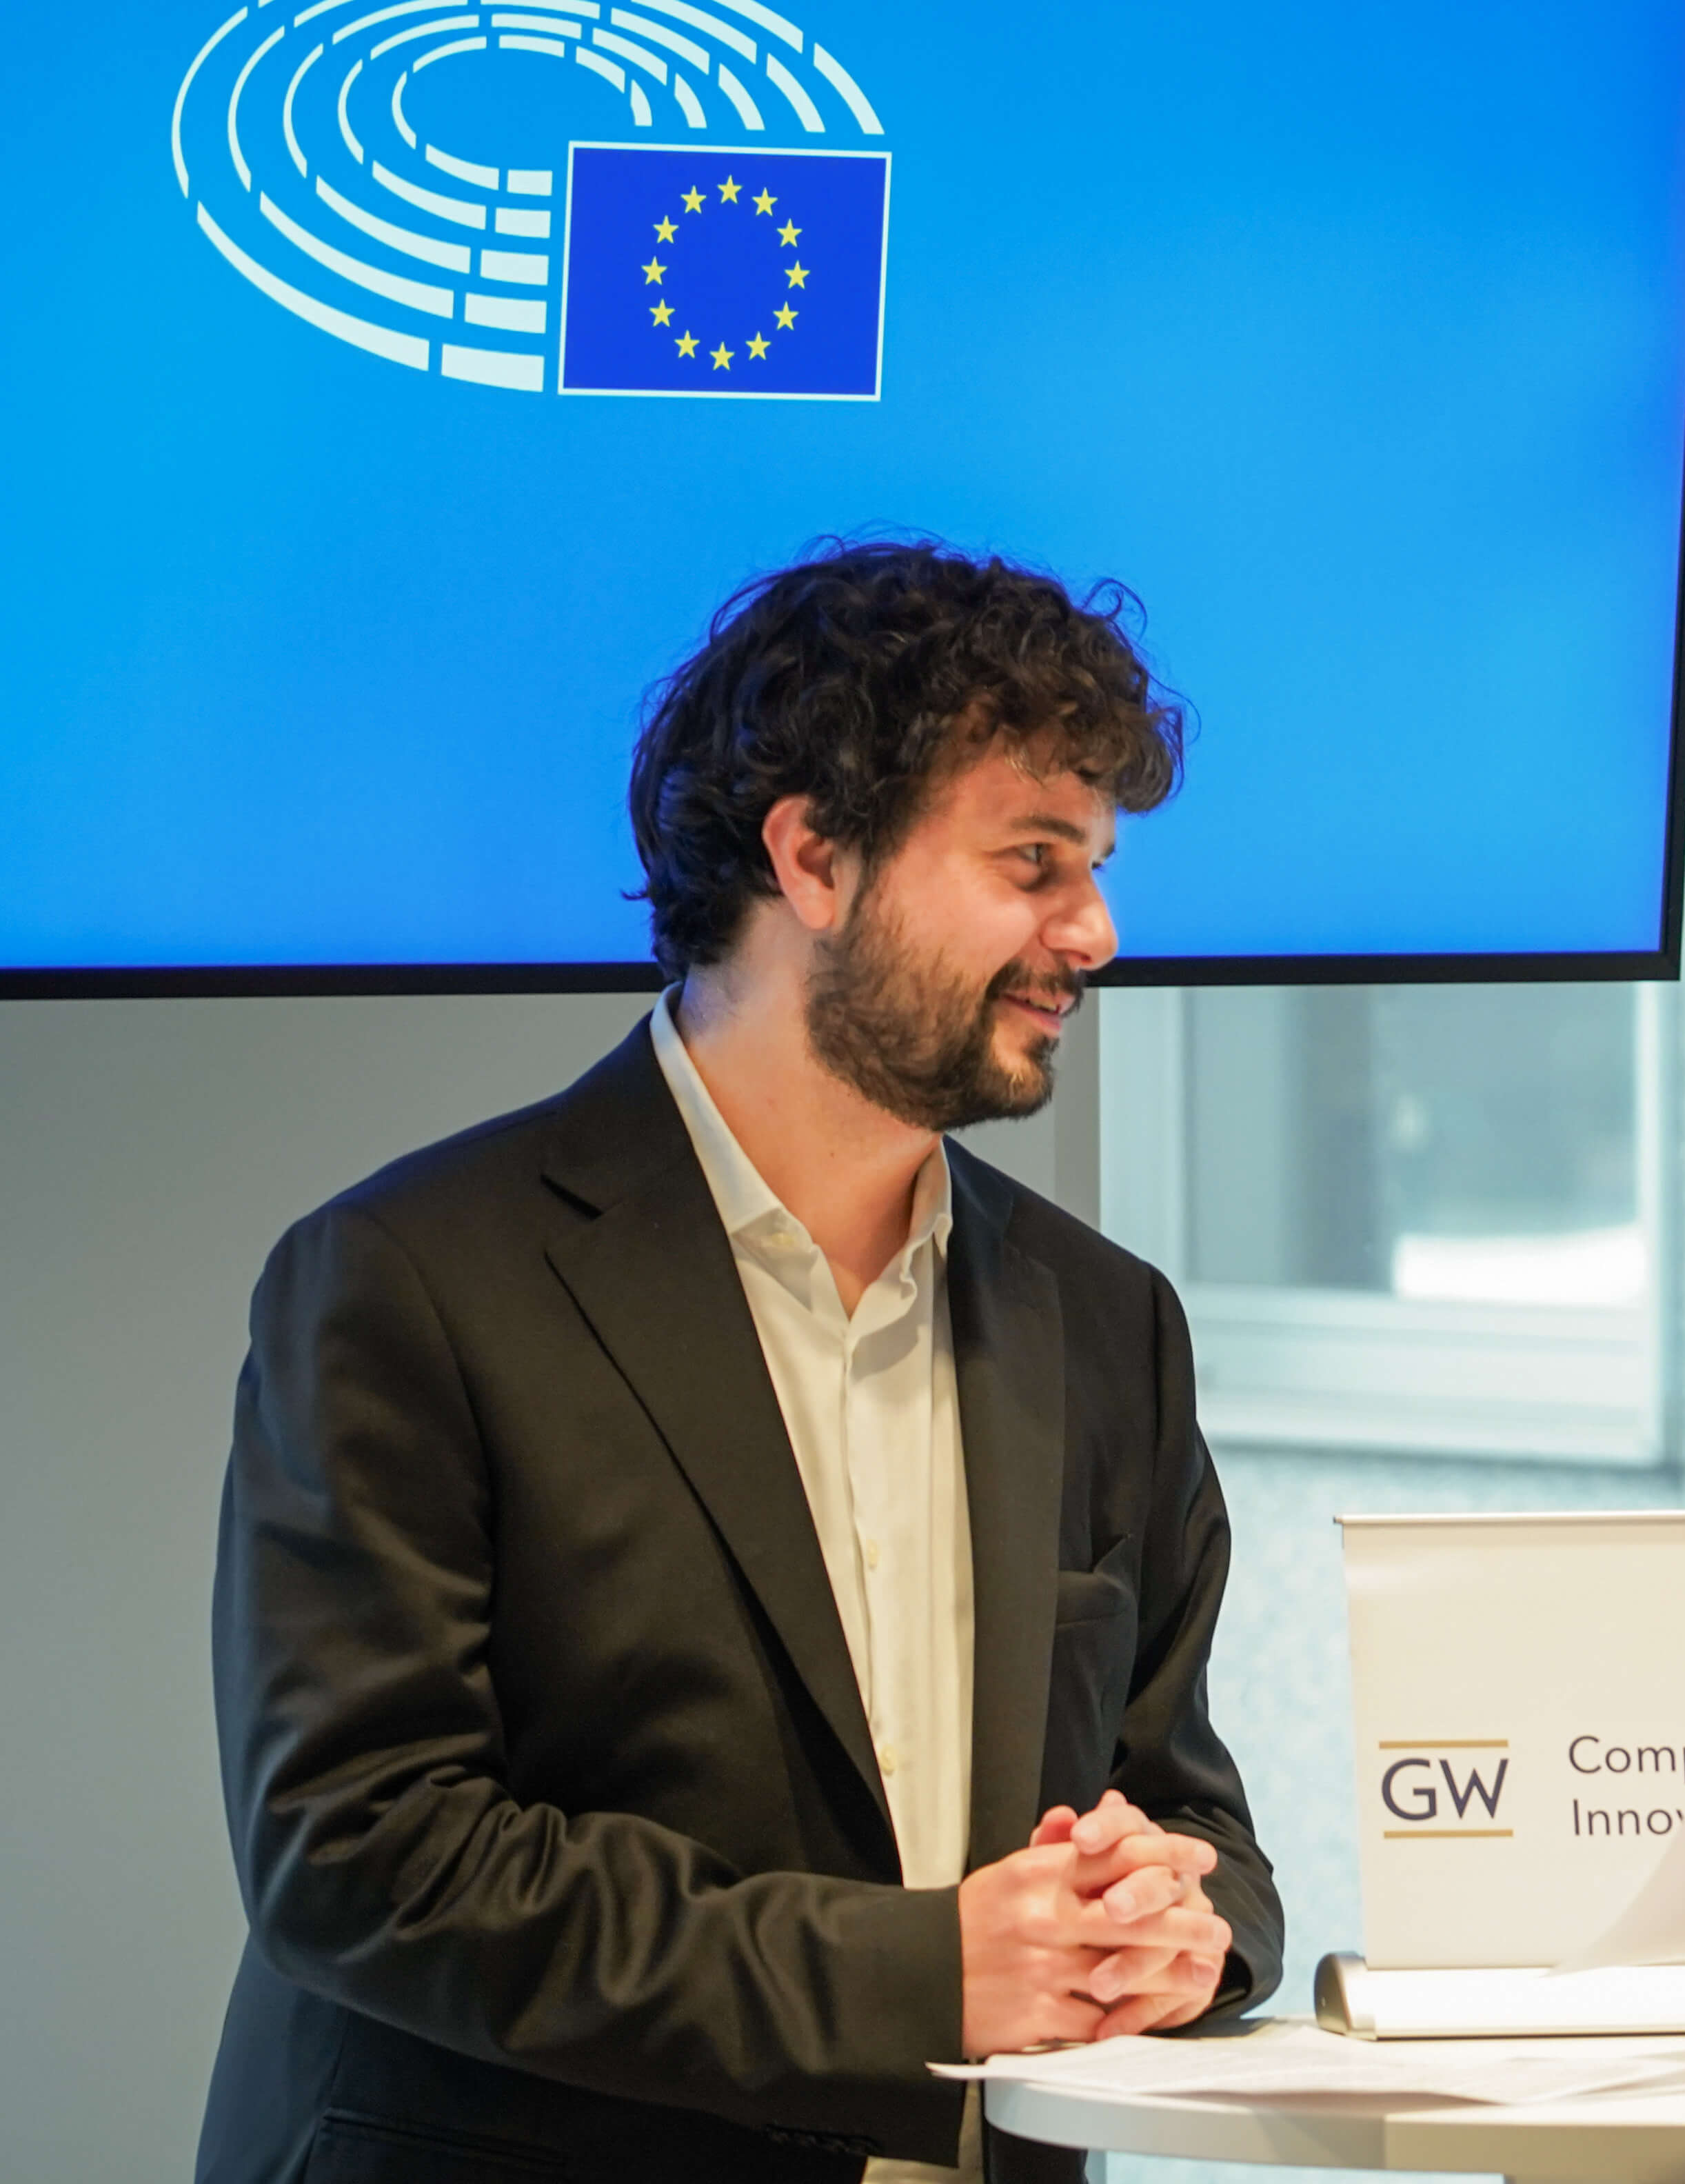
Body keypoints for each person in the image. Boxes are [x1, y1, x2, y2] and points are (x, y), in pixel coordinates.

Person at [199, 543, 1284, 2183]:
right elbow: (361, 1857)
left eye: (1098, 866)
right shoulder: (410, 1281)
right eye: (1035, 862)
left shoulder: (1106, 1319)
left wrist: (1184, 1928)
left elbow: (1192, 1812)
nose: (1097, 931)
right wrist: (925, 1975)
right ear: (815, 856)